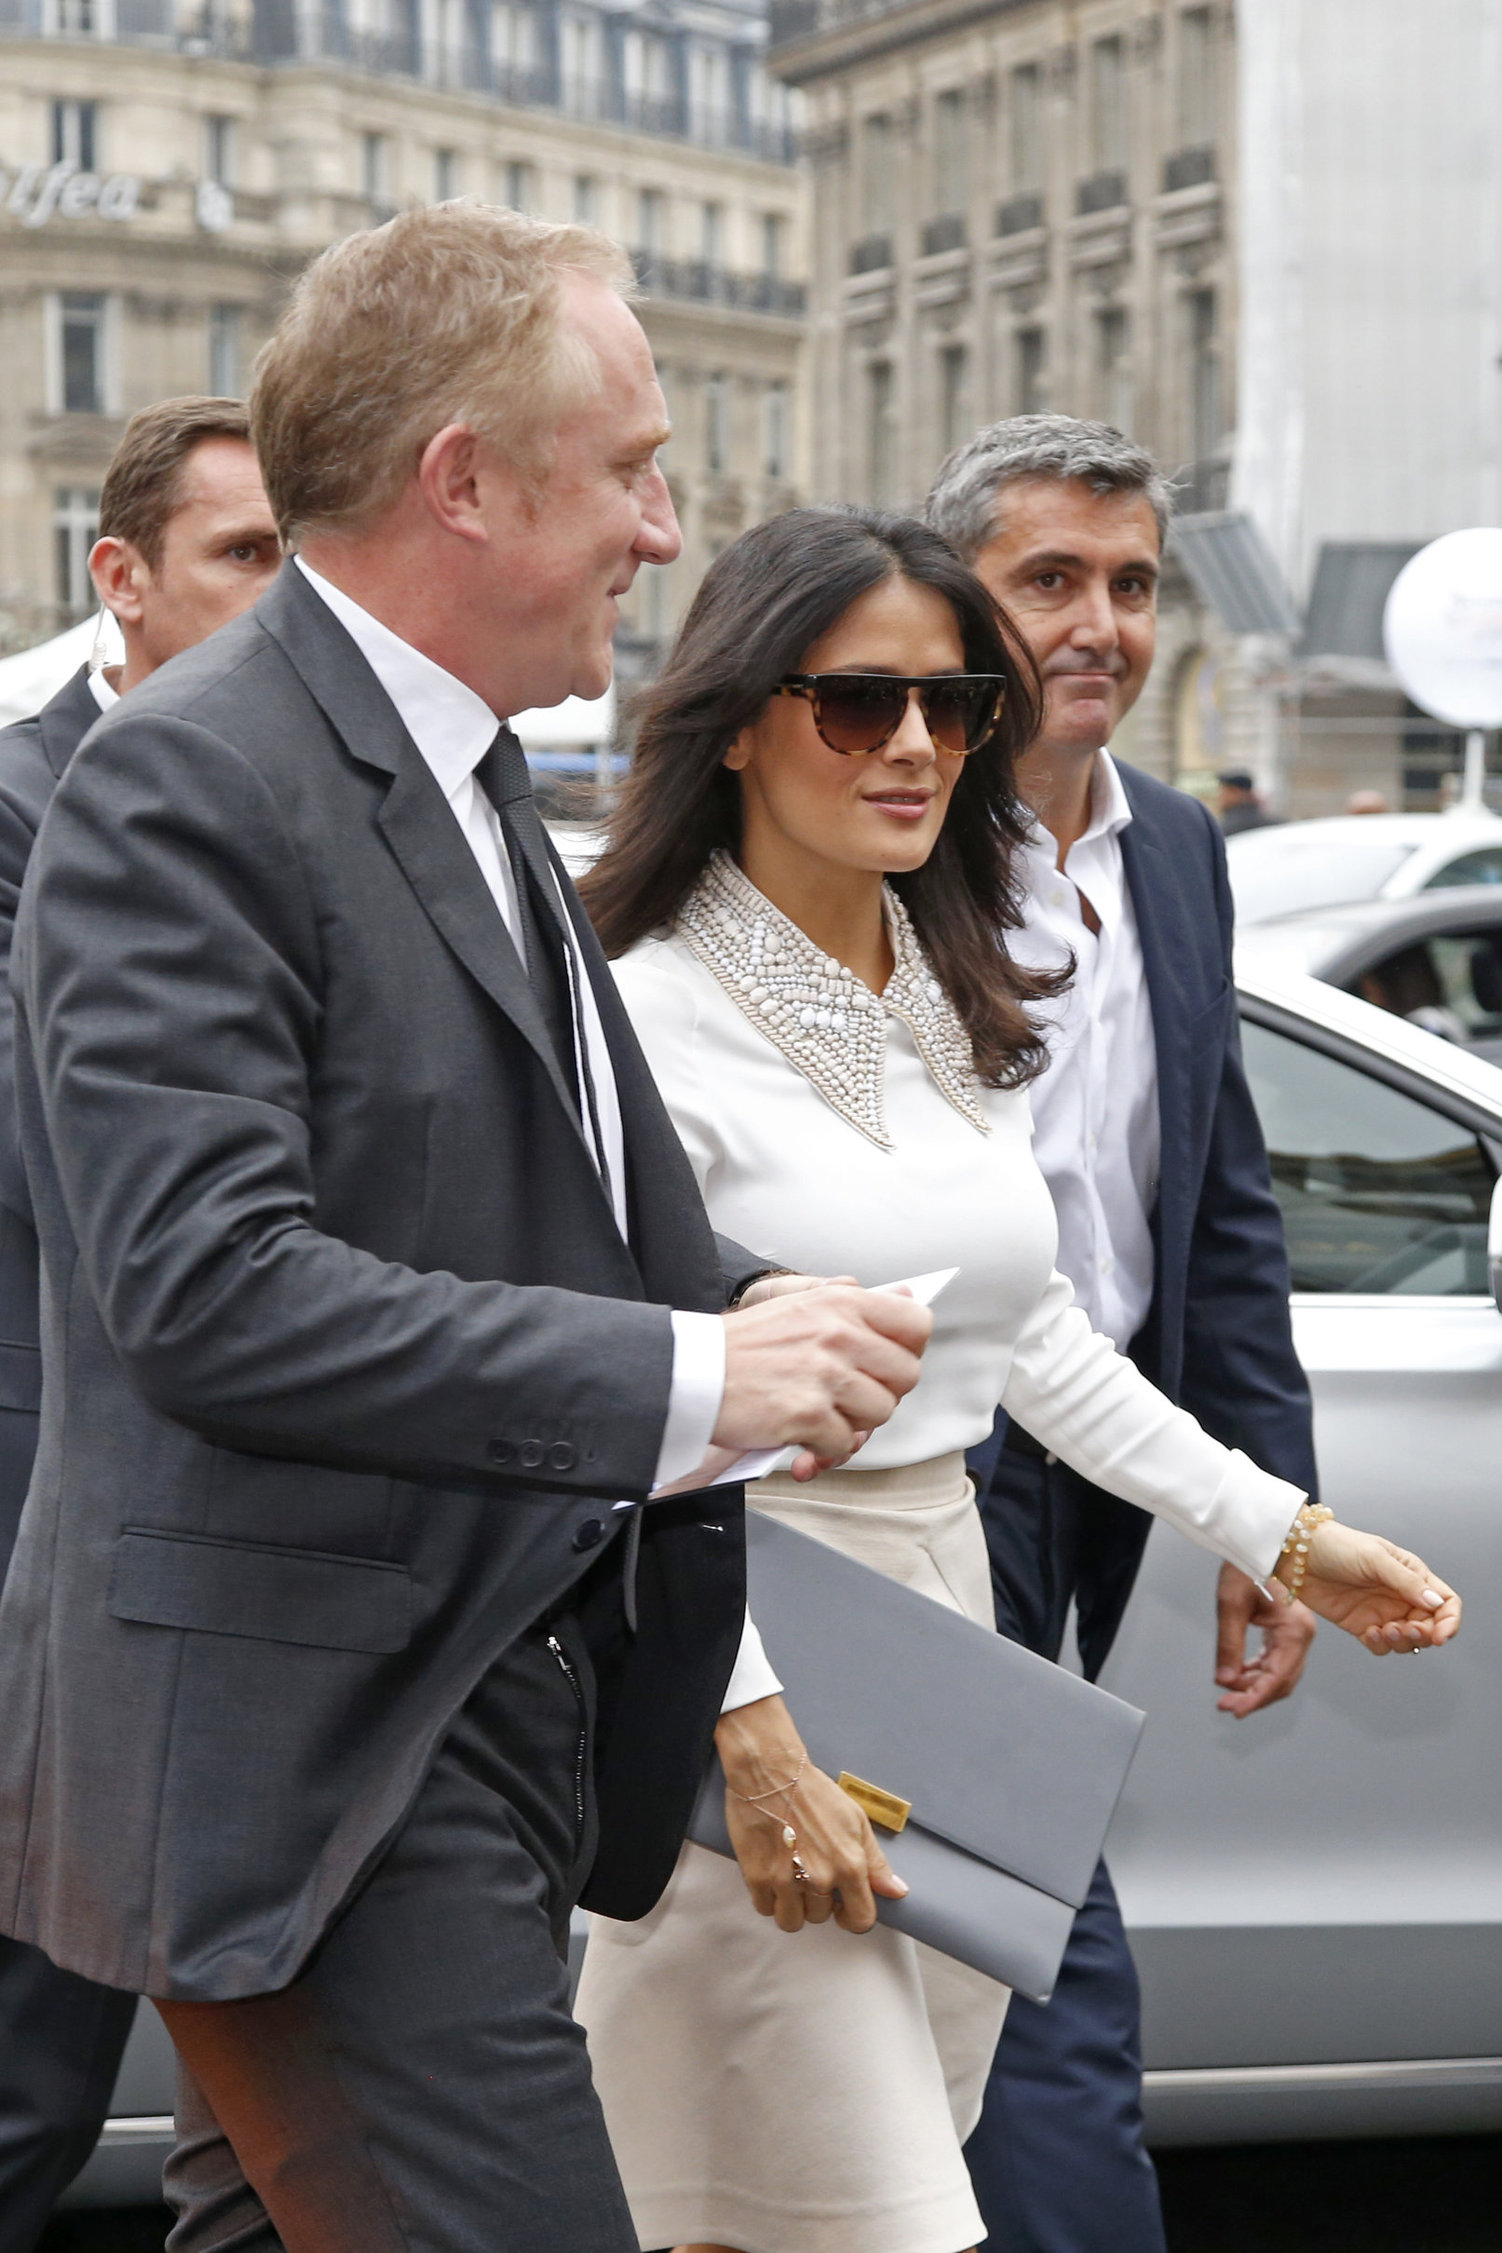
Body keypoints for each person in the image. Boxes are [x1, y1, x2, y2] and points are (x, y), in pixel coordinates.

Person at [0, 207, 934, 2253]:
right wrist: (698, 1371)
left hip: (464, 1705)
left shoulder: (462, 769)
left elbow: (505, 1211)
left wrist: (754, 1312)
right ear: (464, 482)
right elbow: (204, 1289)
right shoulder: (192, 778)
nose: (664, 529)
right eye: (631, 471)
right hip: (318, 1752)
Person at [571, 505, 1459, 2253]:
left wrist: (1280, 1530)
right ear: (737, 720)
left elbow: (1029, 1332)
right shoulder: (639, 1013)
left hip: (942, 1643)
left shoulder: (940, 976)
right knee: (847, 2207)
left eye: (952, 704)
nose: (912, 744)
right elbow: (611, 1412)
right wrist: (741, 1726)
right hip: (740, 1635)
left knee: (782, 2204)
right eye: (857, 702)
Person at [924, 414, 1322, 2253]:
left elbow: (1214, 1197)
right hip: (916, 1462)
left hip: (1093, 1468)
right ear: (952, 600)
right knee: (1033, 1933)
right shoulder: (882, 830)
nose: (1100, 624)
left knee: (945, 1952)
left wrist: (1270, 1507)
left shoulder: (1175, 843)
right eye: (1049, 580)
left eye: (1134, 584)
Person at [0, 394, 281, 2252]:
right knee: (28, 2080)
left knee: (269, 2128)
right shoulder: (17, 810)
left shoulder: (345, 808)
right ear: (121, 576)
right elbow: (71, 1164)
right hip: (54, 1540)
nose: (286, 597)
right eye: (244, 554)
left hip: (285, 1567)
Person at [1215, 766, 1278, 833]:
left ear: (1235, 791)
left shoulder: (1227, 828)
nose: (1219, 796)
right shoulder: (1274, 824)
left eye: (1223, 791)